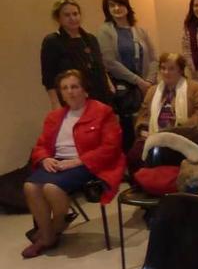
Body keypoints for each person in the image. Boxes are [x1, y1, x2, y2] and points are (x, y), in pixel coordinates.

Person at [23, 70, 125, 258]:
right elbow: (41, 145)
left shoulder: (102, 111)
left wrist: (78, 161)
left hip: (87, 164)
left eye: (74, 86)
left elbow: (111, 147)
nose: (70, 92)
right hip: (57, 162)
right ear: (61, 93)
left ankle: (54, 228)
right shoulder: (54, 117)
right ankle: (48, 236)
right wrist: (45, 158)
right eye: (65, 88)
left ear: (85, 90)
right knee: (30, 186)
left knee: (51, 188)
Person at [128, 53, 198, 174]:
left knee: (165, 156)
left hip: (183, 136)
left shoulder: (195, 88)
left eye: (171, 68)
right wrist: (143, 129)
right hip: (153, 134)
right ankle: (145, 186)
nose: (166, 72)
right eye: (163, 68)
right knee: (134, 155)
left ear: (180, 70)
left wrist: (182, 129)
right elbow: (144, 114)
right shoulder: (152, 91)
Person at [97, 0, 158, 151]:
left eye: (120, 4)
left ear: (127, 6)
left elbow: (153, 59)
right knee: (129, 132)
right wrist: (138, 82)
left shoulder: (140, 30)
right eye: (112, 5)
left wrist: (149, 82)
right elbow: (110, 62)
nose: (117, 8)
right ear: (107, 9)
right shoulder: (105, 31)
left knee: (149, 126)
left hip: (146, 88)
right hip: (124, 92)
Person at [41, 0, 112, 109]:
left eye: (75, 14)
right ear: (58, 18)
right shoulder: (52, 41)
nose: (73, 18)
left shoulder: (90, 39)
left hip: (100, 96)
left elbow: (100, 66)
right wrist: (55, 103)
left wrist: (109, 87)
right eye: (67, 15)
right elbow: (48, 78)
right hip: (73, 99)